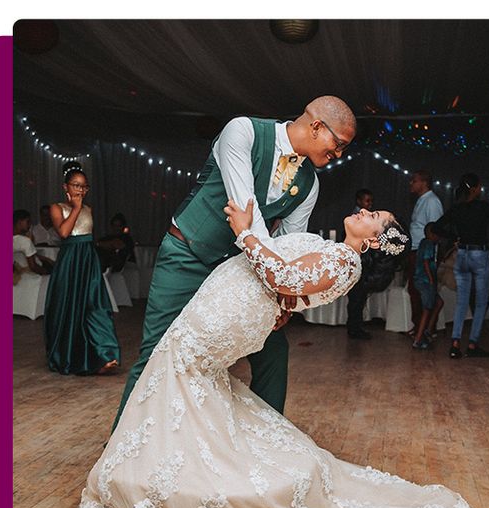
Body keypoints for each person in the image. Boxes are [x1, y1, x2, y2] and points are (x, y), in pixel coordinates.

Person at [79, 201, 478, 508]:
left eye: (373, 215)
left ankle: (170, 476)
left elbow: (284, 278)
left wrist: (244, 232)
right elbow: (291, 291)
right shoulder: (337, 253)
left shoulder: (345, 262)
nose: (363, 210)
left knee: (182, 371)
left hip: (225, 315)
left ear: (374, 239)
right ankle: (163, 464)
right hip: (232, 306)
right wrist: (282, 304)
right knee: (187, 379)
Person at [110, 96, 358, 433]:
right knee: (157, 350)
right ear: (316, 126)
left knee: (273, 353)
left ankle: (267, 444)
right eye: (338, 144)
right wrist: (276, 283)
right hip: (188, 255)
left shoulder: (310, 185)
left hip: (240, 272)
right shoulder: (243, 131)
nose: (339, 154)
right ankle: (121, 445)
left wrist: (284, 300)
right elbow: (244, 211)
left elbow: (289, 246)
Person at [44, 162, 121, 375]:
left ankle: (104, 355)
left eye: (84, 186)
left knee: (95, 306)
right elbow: (64, 233)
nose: (80, 190)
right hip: (70, 261)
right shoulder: (57, 207)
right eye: (76, 185)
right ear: (65, 187)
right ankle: (70, 356)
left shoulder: (89, 209)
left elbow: (88, 235)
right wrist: (76, 208)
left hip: (88, 260)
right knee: (69, 308)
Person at [433, 173, 489, 359]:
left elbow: (436, 227)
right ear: (475, 188)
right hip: (479, 255)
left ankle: (455, 344)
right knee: (480, 303)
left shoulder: (457, 209)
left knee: (462, 302)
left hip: (462, 254)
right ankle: (472, 345)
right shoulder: (483, 207)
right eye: (479, 186)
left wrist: (454, 238)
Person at [406, 170, 443, 333]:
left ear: (424, 183)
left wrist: (430, 257)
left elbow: (435, 231)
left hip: (423, 254)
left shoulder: (432, 202)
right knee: (414, 290)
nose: (411, 183)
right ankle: (418, 326)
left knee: (424, 292)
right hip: (415, 251)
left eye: (414, 180)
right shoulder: (422, 200)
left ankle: (427, 329)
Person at [346, 189, 375, 339]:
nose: (369, 204)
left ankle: (355, 327)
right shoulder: (356, 218)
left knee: (358, 297)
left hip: (362, 261)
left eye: (371, 201)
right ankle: (354, 328)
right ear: (359, 201)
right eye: (367, 201)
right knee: (356, 297)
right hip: (358, 261)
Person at [412, 223, 444, 349]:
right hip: (425, 280)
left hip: (421, 279)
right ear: (431, 234)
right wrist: (431, 280)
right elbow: (426, 262)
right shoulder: (429, 244)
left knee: (438, 302)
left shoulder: (423, 242)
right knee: (427, 309)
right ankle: (418, 339)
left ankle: (428, 331)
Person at [13, 209, 51, 277]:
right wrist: (47, 272)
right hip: (30, 276)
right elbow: (33, 266)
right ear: (19, 222)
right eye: (28, 222)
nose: (30, 225)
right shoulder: (25, 241)